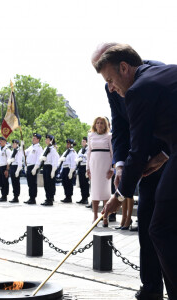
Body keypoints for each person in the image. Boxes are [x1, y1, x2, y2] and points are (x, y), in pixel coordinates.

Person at [93, 43, 177, 299]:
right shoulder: (161, 73)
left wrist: (119, 196)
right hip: (163, 155)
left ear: (124, 66)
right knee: (155, 227)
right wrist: (122, 166)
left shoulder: (139, 89)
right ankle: (153, 288)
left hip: (161, 155)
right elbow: (121, 129)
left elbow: (138, 150)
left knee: (160, 228)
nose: (110, 87)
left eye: (109, 78)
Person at [86, 117, 113, 226]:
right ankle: (95, 216)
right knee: (95, 191)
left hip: (105, 165)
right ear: (94, 124)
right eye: (97, 123)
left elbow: (113, 153)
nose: (99, 125)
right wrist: (87, 168)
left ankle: (105, 217)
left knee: (106, 192)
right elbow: (88, 152)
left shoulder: (109, 136)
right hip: (94, 165)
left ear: (105, 125)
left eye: (102, 123)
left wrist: (112, 168)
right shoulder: (90, 135)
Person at [24, 133, 43, 205]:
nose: (33, 139)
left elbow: (39, 159)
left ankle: (33, 198)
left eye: (35, 138)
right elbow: (24, 153)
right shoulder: (31, 147)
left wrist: (35, 168)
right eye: (33, 137)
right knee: (29, 183)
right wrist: (22, 146)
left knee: (33, 183)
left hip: (33, 166)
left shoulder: (39, 148)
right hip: (29, 166)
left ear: (38, 140)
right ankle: (30, 197)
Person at [40, 135, 59, 206]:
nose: (46, 140)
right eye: (46, 139)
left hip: (50, 167)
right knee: (46, 184)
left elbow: (55, 160)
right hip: (45, 166)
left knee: (50, 184)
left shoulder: (52, 149)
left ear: (51, 140)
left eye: (47, 139)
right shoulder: (46, 148)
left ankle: (50, 199)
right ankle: (47, 198)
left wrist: (53, 170)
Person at [59, 139, 77, 203]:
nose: (67, 145)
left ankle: (69, 197)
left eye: (68, 144)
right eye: (67, 144)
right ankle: (66, 196)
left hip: (69, 169)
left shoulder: (73, 152)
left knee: (69, 184)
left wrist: (71, 172)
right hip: (64, 168)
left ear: (71, 145)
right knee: (65, 183)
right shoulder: (66, 152)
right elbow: (63, 162)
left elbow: (73, 163)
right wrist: (61, 170)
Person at [0, 136, 12, 202]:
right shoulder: (1, 149)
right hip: (0, 167)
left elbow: (9, 161)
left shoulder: (7, 150)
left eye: (1, 141)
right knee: (1, 182)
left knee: (5, 182)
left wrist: (7, 170)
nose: (0, 142)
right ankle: (2, 195)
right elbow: (0, 159)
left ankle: (5, 196)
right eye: (0, 141)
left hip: (5, 167)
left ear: (5, 142)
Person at [76, 137, 90, 205]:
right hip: (80, 167)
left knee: (85, 183)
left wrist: (83, 155)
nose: (82, 142)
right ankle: (83, 198)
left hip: (85, 166)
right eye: (82, 141)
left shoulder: (88, 149)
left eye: (84, 141)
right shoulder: (81, 150)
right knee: (81, 183)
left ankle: (86, 198)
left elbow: (89, 157)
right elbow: (77, 157)